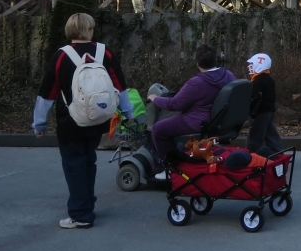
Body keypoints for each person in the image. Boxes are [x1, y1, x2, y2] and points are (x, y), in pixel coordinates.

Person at [32, 13, 134, 229]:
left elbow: (48, 92)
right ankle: (87, 204)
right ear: (89, 30)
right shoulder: (104, 52)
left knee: (74, 165)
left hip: (71, 121)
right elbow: (120, 85)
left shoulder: (61, 55)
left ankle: (81, 214)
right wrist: (128, 112)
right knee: (88, 161)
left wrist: (39, 123)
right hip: (98, 119)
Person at [147, 45, 234, 178]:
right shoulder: (229, 75)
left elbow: (174, 104)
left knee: (158, 129)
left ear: (197, 63)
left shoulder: (197, 82)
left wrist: (155, 98)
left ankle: (170, 168)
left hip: (197, 122)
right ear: (215, 60)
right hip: (219, 122)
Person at [246, 52, 282, 156]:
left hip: (259, 113)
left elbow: (254, 98)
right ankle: (277, 153)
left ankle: (253, 154)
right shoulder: (269, 79)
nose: (249, 67)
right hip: (269, 111)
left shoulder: (257, 81)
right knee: (270, 133)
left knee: (255, 135)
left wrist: (251, 112)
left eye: (252, 64)